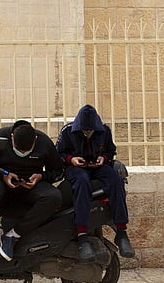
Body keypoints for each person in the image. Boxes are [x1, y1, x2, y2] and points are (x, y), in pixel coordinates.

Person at [0, 120, 64, 262]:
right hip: (2, 184)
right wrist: (2, 175)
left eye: (27, 151)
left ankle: (12, 235)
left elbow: (58, 170)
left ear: (35, 140)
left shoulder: (43, 141)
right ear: (12, 137)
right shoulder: (0, 137)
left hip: (31, 187)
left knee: (54, 197)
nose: (22, 153)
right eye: (18, 149)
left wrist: (41, 177)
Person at [55, 104, 135, 262]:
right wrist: (72, 159)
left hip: (97, 167)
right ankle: (82, 236)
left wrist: (103, 159)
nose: (87, 133)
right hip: (76, 169)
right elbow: (58, 153)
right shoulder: (67, 131)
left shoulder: (104, 131)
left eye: (90, 131)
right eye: (85, 131)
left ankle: (121, 232)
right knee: (82, 182)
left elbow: (110, 151)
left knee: (116, 180)